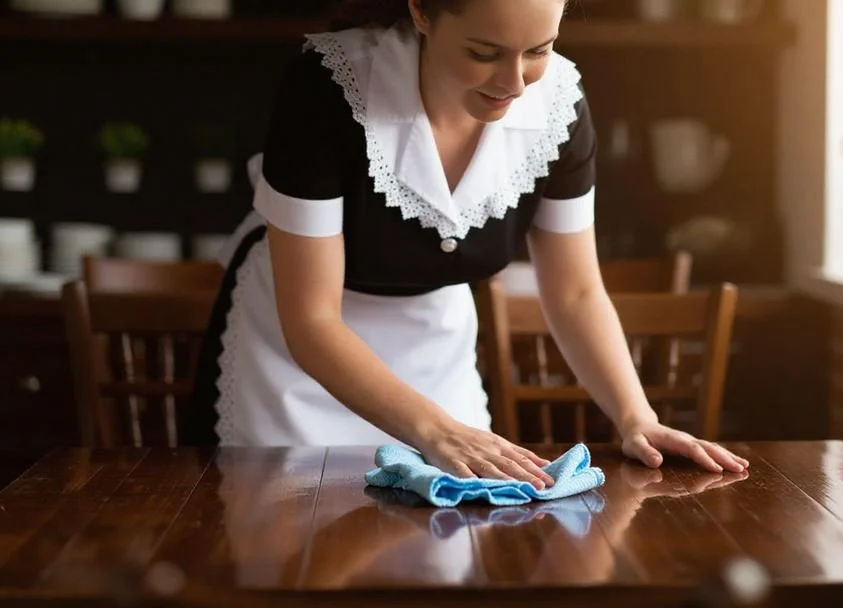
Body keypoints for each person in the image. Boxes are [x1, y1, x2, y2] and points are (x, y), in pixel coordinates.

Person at [190, 0, 749, 489]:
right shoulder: (331, 87)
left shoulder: (558, 105)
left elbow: (576, 292)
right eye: (485, 51)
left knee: (447, 551)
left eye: (538, 49)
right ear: (420, 12)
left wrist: (636, 417)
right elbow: (312, 321)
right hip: (295, 361)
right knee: (295, 554)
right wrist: (435, 431)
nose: (514, 81)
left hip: (437, 350)